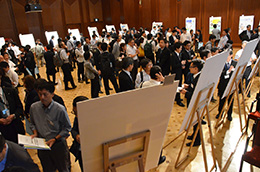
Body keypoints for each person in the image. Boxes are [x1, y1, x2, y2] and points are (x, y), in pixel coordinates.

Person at [30, 82, 71, 172]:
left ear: (52, 94)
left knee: (63, 168)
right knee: (47, 169)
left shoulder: (59, 109)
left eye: (45, 94)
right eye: (40, 94)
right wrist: (35, 133)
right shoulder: (34, 108)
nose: (42, 98)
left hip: (58, 146)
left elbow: (67, 127)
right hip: (42, 145)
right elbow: (32, 123)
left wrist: (55, 139)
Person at [180, 59, 204, 146]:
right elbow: (194, 89)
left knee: (196, 121)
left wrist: (186, 92)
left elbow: (195, 94)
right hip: (193, 102)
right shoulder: (196, 76)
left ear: (196, 68)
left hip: (196, 103)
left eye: (191, 67)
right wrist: (188, 86)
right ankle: (194, 134)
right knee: (194, 121)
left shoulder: (199, 78)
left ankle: (197, 140)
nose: (189, 68)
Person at [216, 51, 237, 121]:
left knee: (230, 101)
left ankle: (229, 114)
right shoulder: (221, 63)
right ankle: (220, 113)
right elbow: (220, 75)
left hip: (231, 86)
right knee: (221, 100)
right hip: (222, 85)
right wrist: (228, 72)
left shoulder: (235, 63)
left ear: (231, 55)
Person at [70, 96, 88, 172]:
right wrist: (76, 135)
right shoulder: (77, 118)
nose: (76, 115)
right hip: (81, 151)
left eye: (78, 112)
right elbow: (73, 130)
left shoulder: (97, 119)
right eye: (74, 112)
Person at [170, 42, 185, 107]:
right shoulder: (173, 55)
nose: (181, 49)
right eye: (180, 48)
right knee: (177, 86)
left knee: (179, 85)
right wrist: (181, 63)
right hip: (176, 73)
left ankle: (177, 98)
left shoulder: (179, 54)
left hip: (179, 72)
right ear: (176, 48)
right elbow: (173, 66)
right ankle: (178, 100)